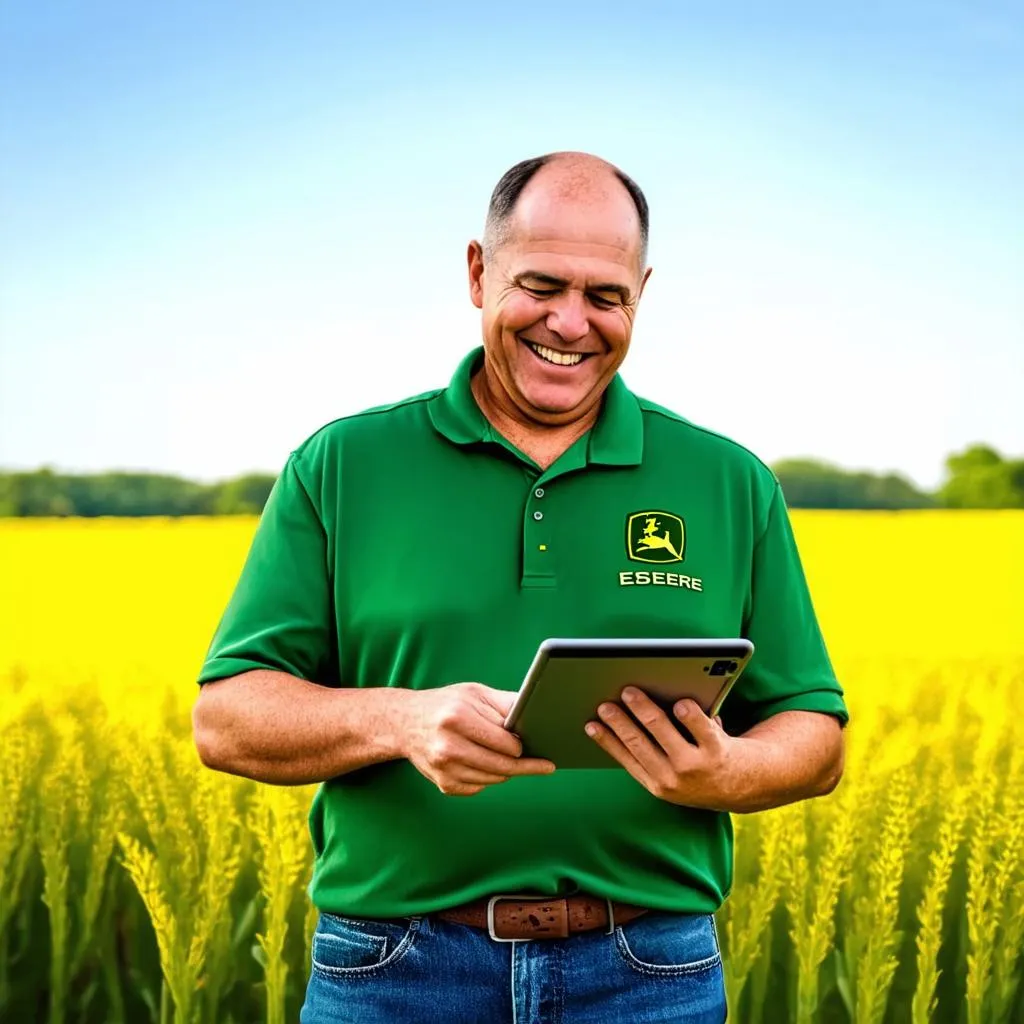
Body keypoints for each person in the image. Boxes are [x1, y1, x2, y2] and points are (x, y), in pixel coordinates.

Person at [192, 151, 849, 1024]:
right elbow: (226, 719)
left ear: (641, 293)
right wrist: (402, 720)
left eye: (606, 296)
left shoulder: (729, 482)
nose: (572, 323)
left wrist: (727, 772)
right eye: (541, 285)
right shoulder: (344, 466)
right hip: (393, 971)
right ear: (477, 272)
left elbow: (814, 732)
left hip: (651, 974)